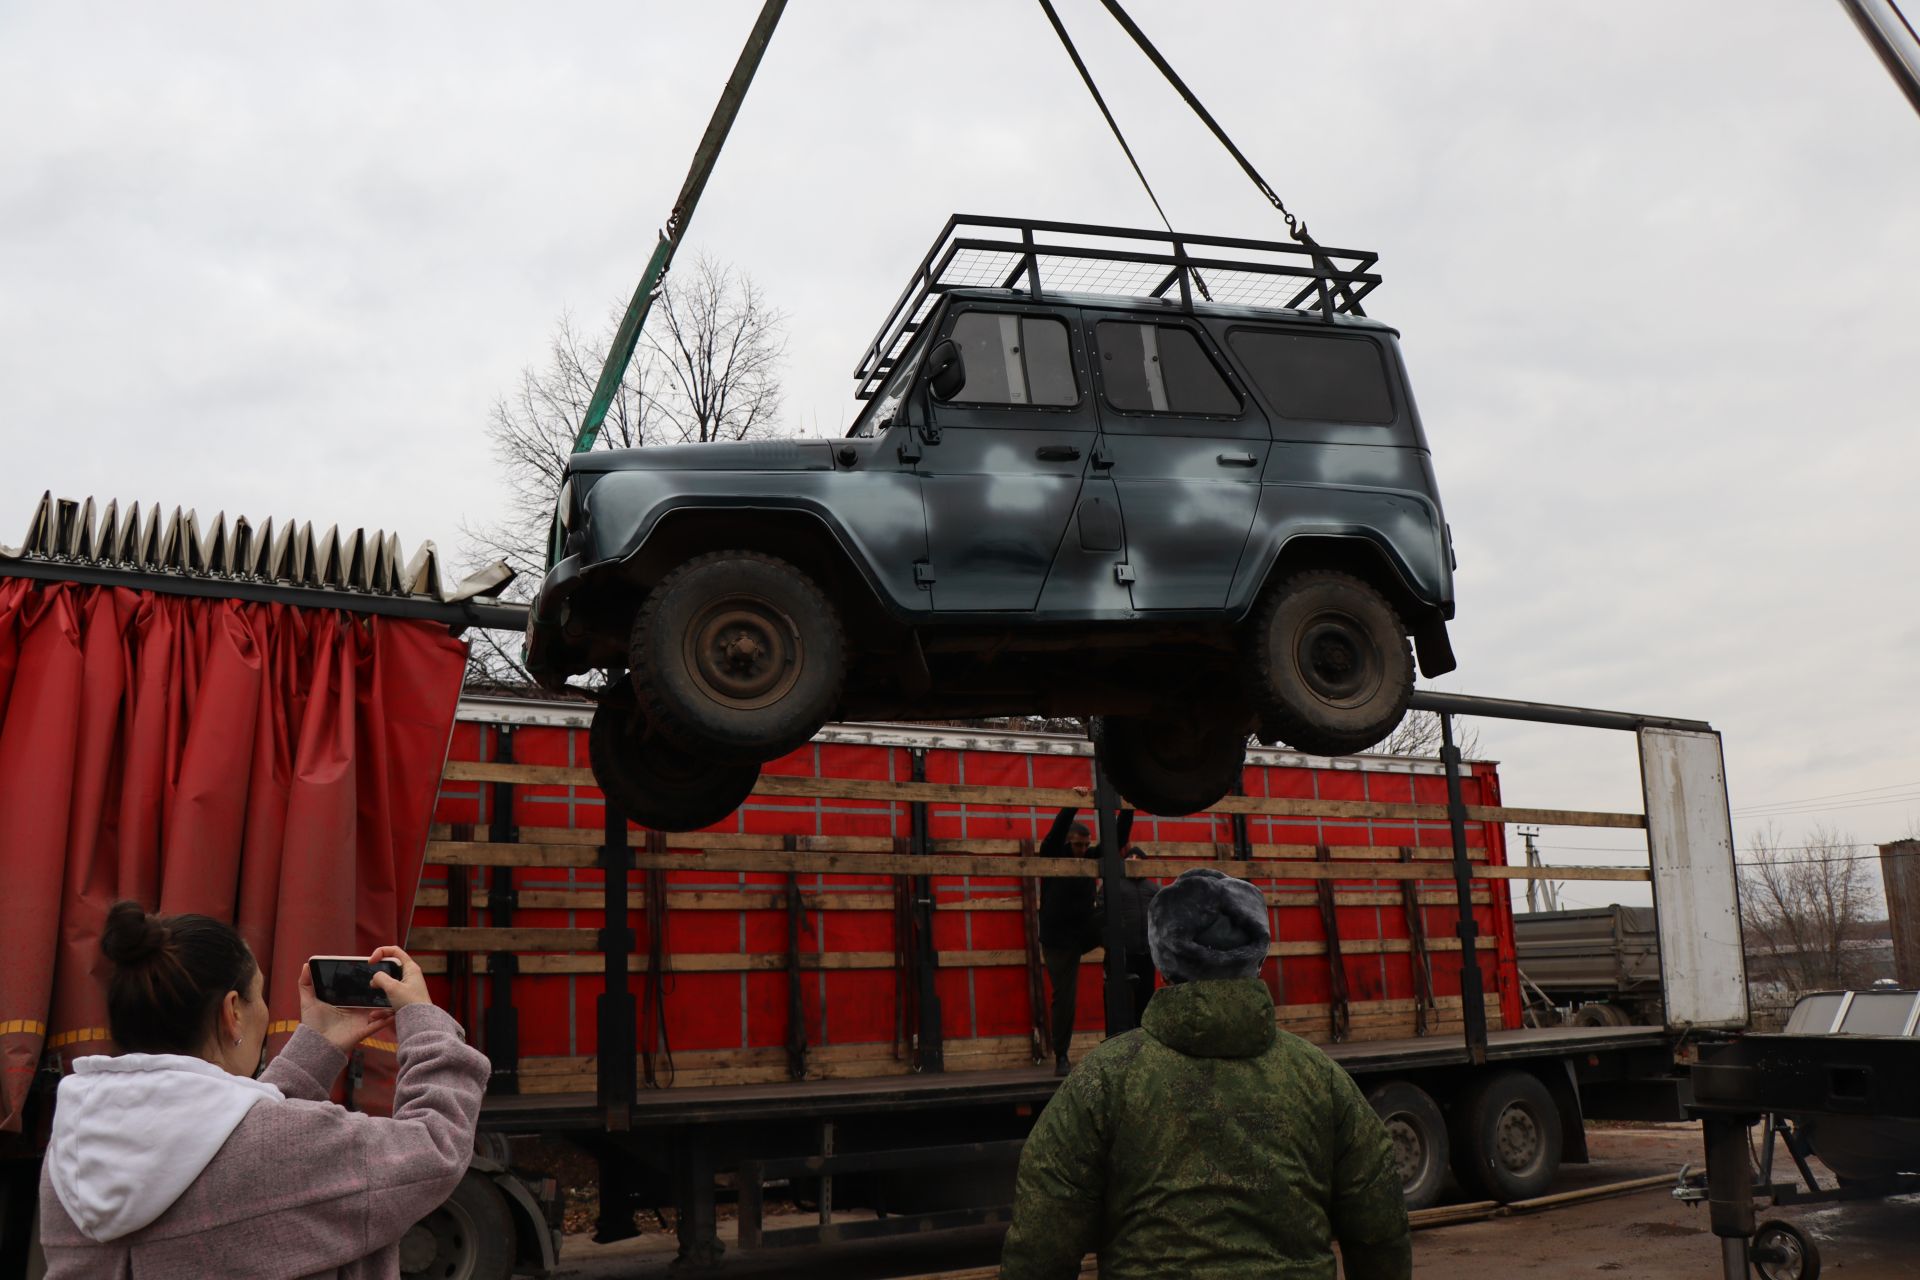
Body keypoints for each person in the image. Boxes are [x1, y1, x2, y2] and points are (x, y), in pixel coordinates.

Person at [39, 901, 491, 1279]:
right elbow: (435, 1149)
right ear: (232, 1011)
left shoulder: (73, 1148)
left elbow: (219, 1139)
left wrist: (317, 1049)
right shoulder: (279, 1146)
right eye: (257, 993)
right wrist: (423, 1020)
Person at [1001, 868, 1412, 1280]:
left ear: (1164, 962)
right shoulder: (1320, 1078)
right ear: (1258, 956)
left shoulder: (1104, 1079)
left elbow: (1042, 1240)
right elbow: (1381, 1228)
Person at [1105, 846, 1159, 1026]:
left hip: (1147, 954)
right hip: (1124, 955)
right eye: (1130, 859)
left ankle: (1144, 1033)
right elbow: (1102, 915)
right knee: (1122, 999)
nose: (1134, 862)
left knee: (1146, 998)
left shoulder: (1153, 888)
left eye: (1138, 860)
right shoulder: (1114, 886)